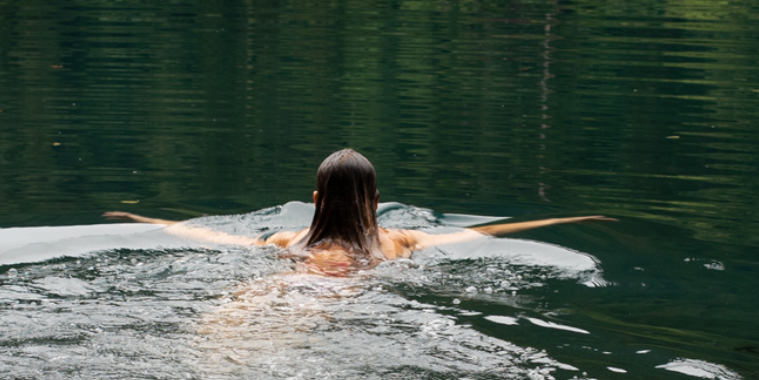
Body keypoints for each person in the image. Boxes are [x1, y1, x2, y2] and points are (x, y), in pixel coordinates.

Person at [104, 149, 615, 275]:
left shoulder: (288, 243)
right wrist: (566, 221)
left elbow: (214, 238)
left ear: (315, 201)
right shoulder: (399, 242)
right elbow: (486, 233)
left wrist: (148, 223)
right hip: (358, 290)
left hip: (291, 282)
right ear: (374, 201)